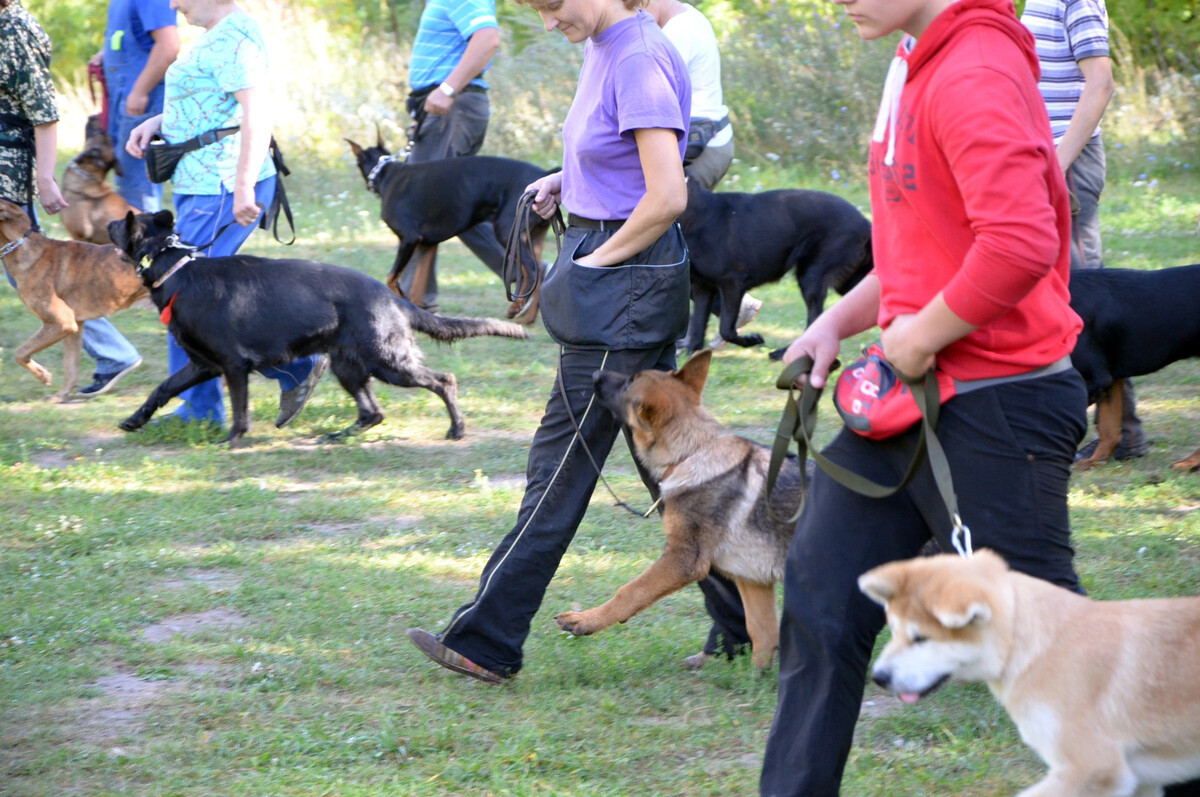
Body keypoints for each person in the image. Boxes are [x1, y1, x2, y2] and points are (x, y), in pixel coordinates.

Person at [757, 0, 1093, 792]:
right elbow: (924, 242)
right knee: (823, 594)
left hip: (999, 402)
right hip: (911, 397)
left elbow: (1019, 242)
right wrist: (838, 320)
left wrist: (918, 336)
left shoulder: (975, 66)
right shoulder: (915, 58)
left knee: (1058, 645)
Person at [407, 0, 692, 684]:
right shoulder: (608, 44)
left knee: (558, 468)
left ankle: (486, 638)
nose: (547, 22)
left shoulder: (638, 54)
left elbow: (668, 194)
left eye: (553, 5)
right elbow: (620, 156)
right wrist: (566, 181)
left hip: (623, 278)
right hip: (620, 268)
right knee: (679, 461)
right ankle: (746, 622)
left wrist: (596, 262)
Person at [126, 0, 324, 428]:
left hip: (218, 186)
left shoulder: (235, 39)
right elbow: (212, 103)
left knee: (183, 297)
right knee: (197, 298)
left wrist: (243, 185)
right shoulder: (216, 36)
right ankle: (289, 368)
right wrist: (159, 122)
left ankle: (205, 410)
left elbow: (257, 113)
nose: (174, 4)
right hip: (202, 183)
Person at [1021, 0, 1145, 463]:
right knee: (1060, 295)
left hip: (1068, 163)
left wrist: (1057, 163)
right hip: (1044, 157)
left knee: (1088, 298)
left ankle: (1125, 433)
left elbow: (1101, 83)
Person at [76, 0, 182, 399]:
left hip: (142, 114)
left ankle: (182, 322)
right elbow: (133, 40)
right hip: (125, 115)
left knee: (142, 224)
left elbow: (168, 45)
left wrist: (138, 91)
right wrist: (108, 54)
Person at [396, 0, 502, 313]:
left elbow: (488, 38)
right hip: (442, 108)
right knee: (454, 208)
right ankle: (534, 274)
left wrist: (447, 89)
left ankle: (412, 304)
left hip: (453, 108)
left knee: (420, 207)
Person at [0, 1, 68, 245]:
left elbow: (44, 114)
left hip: (7, 173)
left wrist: (46, 181)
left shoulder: (14, 30)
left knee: (28, 267)